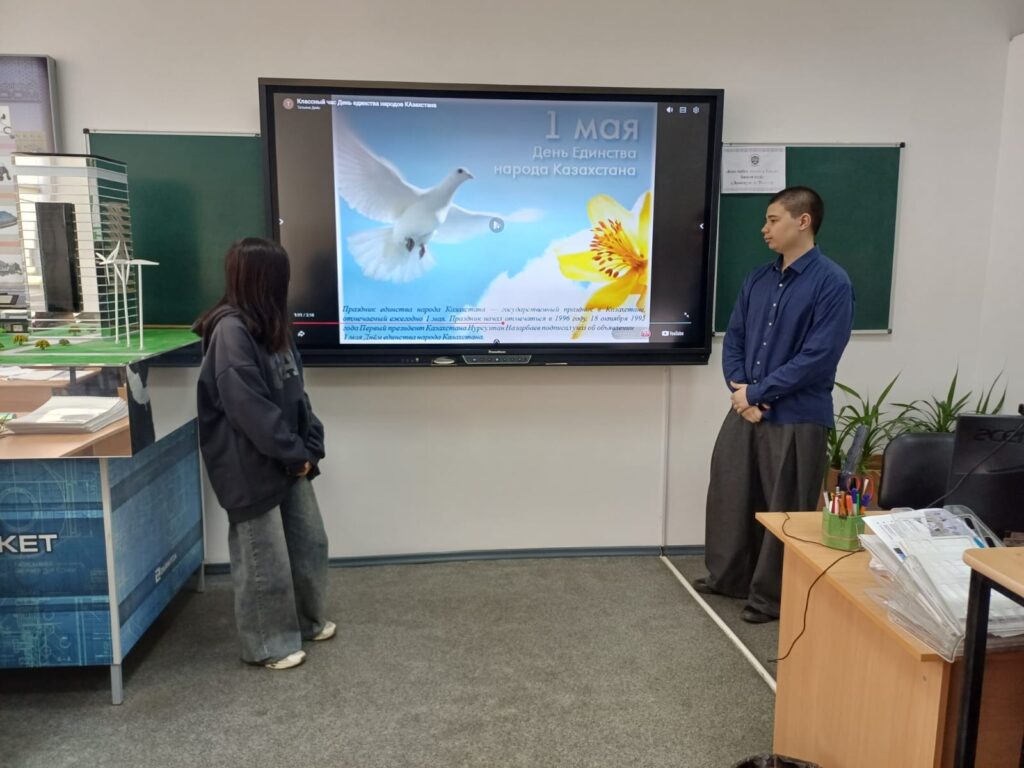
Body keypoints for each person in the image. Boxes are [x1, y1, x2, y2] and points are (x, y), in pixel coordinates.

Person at [694, 187, 854, 623]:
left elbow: (818, 357)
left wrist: (757, 393)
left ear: (803, 221)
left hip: (797, 417)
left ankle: (770, 597)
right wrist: (741, 392)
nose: (764, 229)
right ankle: (729, 578)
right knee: (730, 491)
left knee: (784, 507)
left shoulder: (832, 283)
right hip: (746, 409)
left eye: (772, 219)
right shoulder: (757, 279)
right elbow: (735, 339)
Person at [194, 237, 333, 669]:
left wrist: (311, 444)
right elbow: (248, 408)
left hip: (287, 456)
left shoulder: (272, 326)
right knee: (263, 556)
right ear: (263, 279)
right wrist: (294, 453)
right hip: (249, 464)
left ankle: (307, 622)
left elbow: (296, 392)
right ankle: (270, 644)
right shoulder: (230, 332)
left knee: (309, 542)